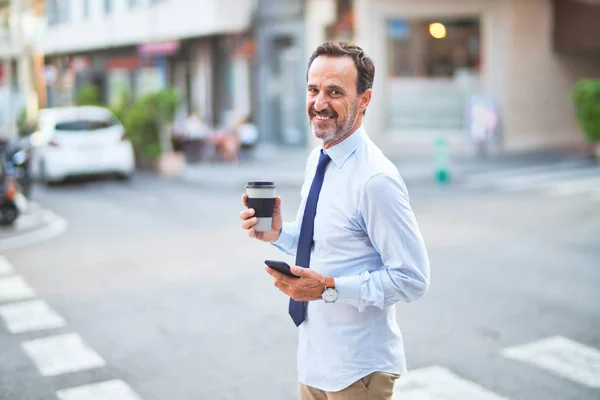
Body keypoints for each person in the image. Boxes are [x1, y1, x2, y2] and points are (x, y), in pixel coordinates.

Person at [239, 41, 430, 400]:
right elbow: (325, 242)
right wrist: (279, 233)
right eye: (313, 89)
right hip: (314, 361)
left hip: (358, 372)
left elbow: (412, 278)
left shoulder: (375, 180)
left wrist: (328, 287)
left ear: (365, 100)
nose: (319, 103)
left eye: (335, 92)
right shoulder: (318, 158)